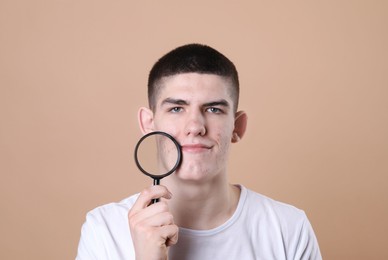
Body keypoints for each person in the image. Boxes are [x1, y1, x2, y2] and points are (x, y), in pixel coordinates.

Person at [76, 43, 322, 259]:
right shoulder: (104, 229)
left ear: (237, 126)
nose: (195, 127)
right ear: (148, 124)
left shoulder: (288, 228)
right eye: (176, 109)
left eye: (213, 109)